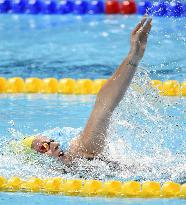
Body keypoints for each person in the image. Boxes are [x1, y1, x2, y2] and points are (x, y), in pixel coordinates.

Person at [22, 15, 152, 164]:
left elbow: (104, 105)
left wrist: (133, 58)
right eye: (44, 147)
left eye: (51, 141)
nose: (56, 144)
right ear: (36, 160)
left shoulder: (79, 153)